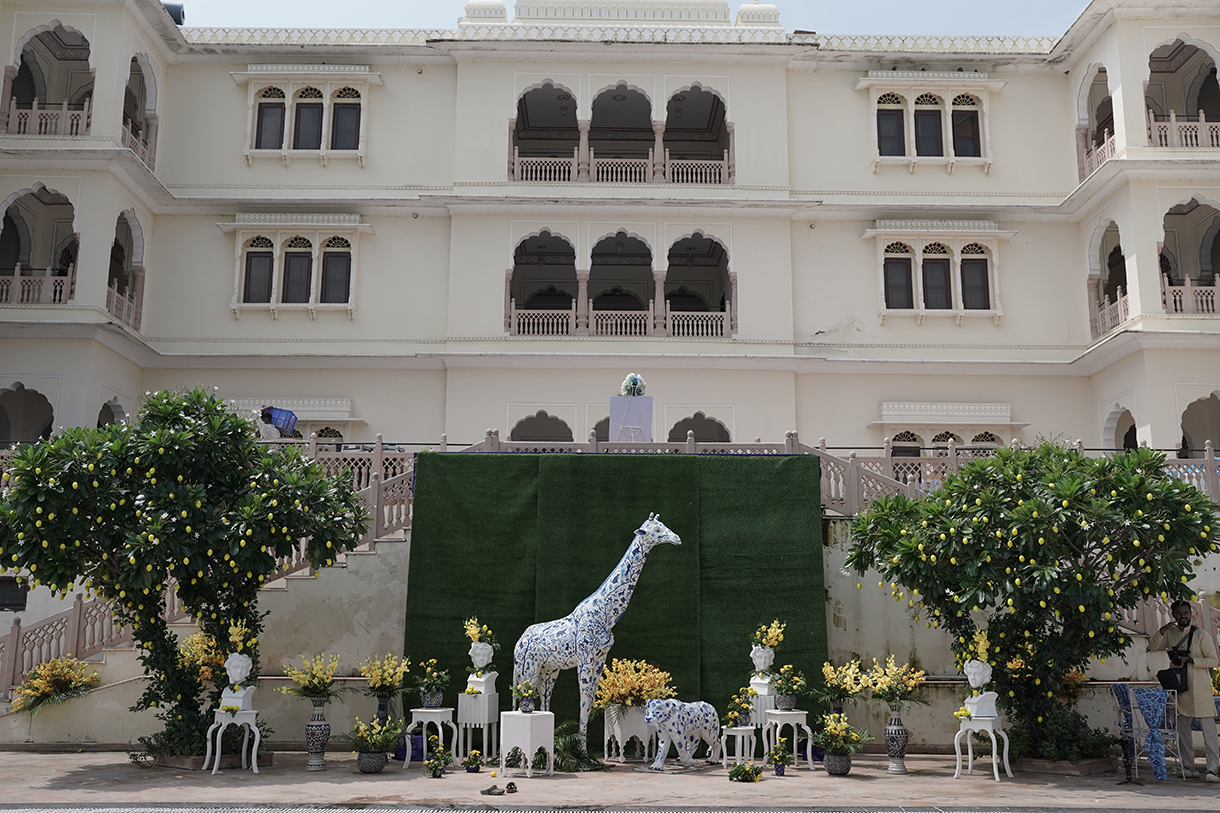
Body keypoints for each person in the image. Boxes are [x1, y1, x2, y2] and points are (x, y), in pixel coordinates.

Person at [1149, 600, 1220, 782]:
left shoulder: (1201, 635)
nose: (1183, 616)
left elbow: (1213, 660)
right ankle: (1188, 767)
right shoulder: (1171, 635)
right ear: (1173, 615)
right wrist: (1162, 631)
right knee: (1183, 732)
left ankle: (1212, 769)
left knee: (1209, 733)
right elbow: (1153, 647)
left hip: (1201, 690)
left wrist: (1190, 660)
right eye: (1179, 613)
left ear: (1191, 614)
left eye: (1186, 613)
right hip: (1181, 689)